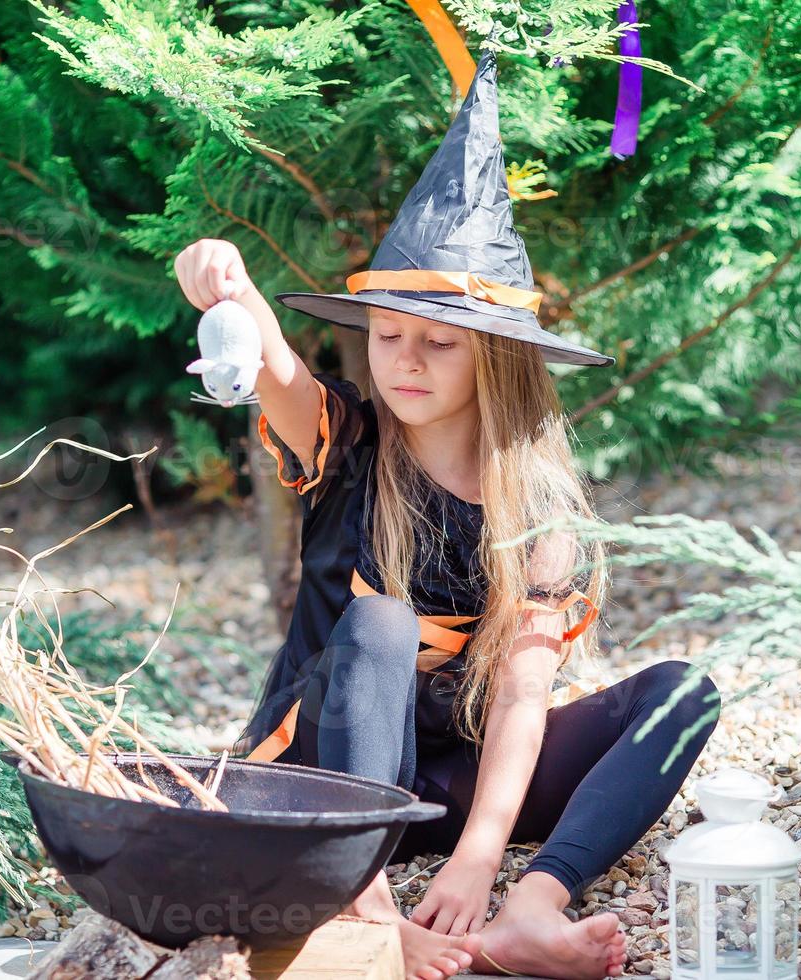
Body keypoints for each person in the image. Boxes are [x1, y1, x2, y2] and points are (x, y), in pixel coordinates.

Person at [173, 47, 720, 980]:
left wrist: (481, 861)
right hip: (322, 766)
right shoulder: (346, 443)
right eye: (387, 336)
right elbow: (277, 371)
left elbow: (518, 696)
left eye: (438, 344)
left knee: (682, 695)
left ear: (498, 360)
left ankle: (535, 910)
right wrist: (226, 282)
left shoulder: (540, 507)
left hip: (454, 786)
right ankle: (368, 904)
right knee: (381, 621)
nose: (404, 361)